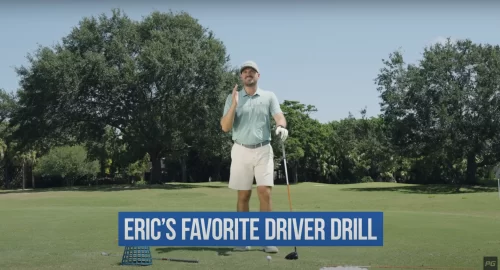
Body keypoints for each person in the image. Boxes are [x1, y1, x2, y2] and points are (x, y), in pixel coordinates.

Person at [220, 60, 288, 254]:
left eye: (252, 71)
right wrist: (234, 104)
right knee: (244, 195)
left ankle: (267, 240)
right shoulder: (232, 97)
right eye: (245, 72)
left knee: (265, 192)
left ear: (258, 76)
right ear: (241, 77)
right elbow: (225, 127)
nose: (248, 74)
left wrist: (281, 127)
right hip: (241, 150)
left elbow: (279, 116)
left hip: (263, 149)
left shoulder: (269, 96)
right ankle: (243, 240)